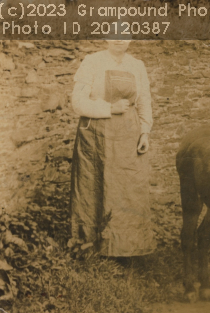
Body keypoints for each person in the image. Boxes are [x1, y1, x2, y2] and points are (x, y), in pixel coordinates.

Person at [69, 31, 156, 258]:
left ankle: (127, 249)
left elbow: (144, 100)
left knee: (127, 190)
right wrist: (109, 109)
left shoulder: (137, 65)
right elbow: (77, 102)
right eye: (114, 34)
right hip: (95, 138)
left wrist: (145, 132)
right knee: (94, 187)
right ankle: (91, 248)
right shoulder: (93, 61)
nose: (119, 39)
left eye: (125, 34)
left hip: (129, 137)